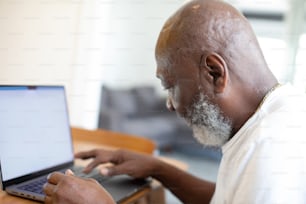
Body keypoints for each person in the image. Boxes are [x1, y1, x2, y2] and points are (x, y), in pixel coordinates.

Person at [43, 0, 306, 203]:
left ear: (214, 72)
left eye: (170, 85)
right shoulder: (275, 115)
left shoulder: (270, 150)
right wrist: (159, 168)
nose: (170, 104)